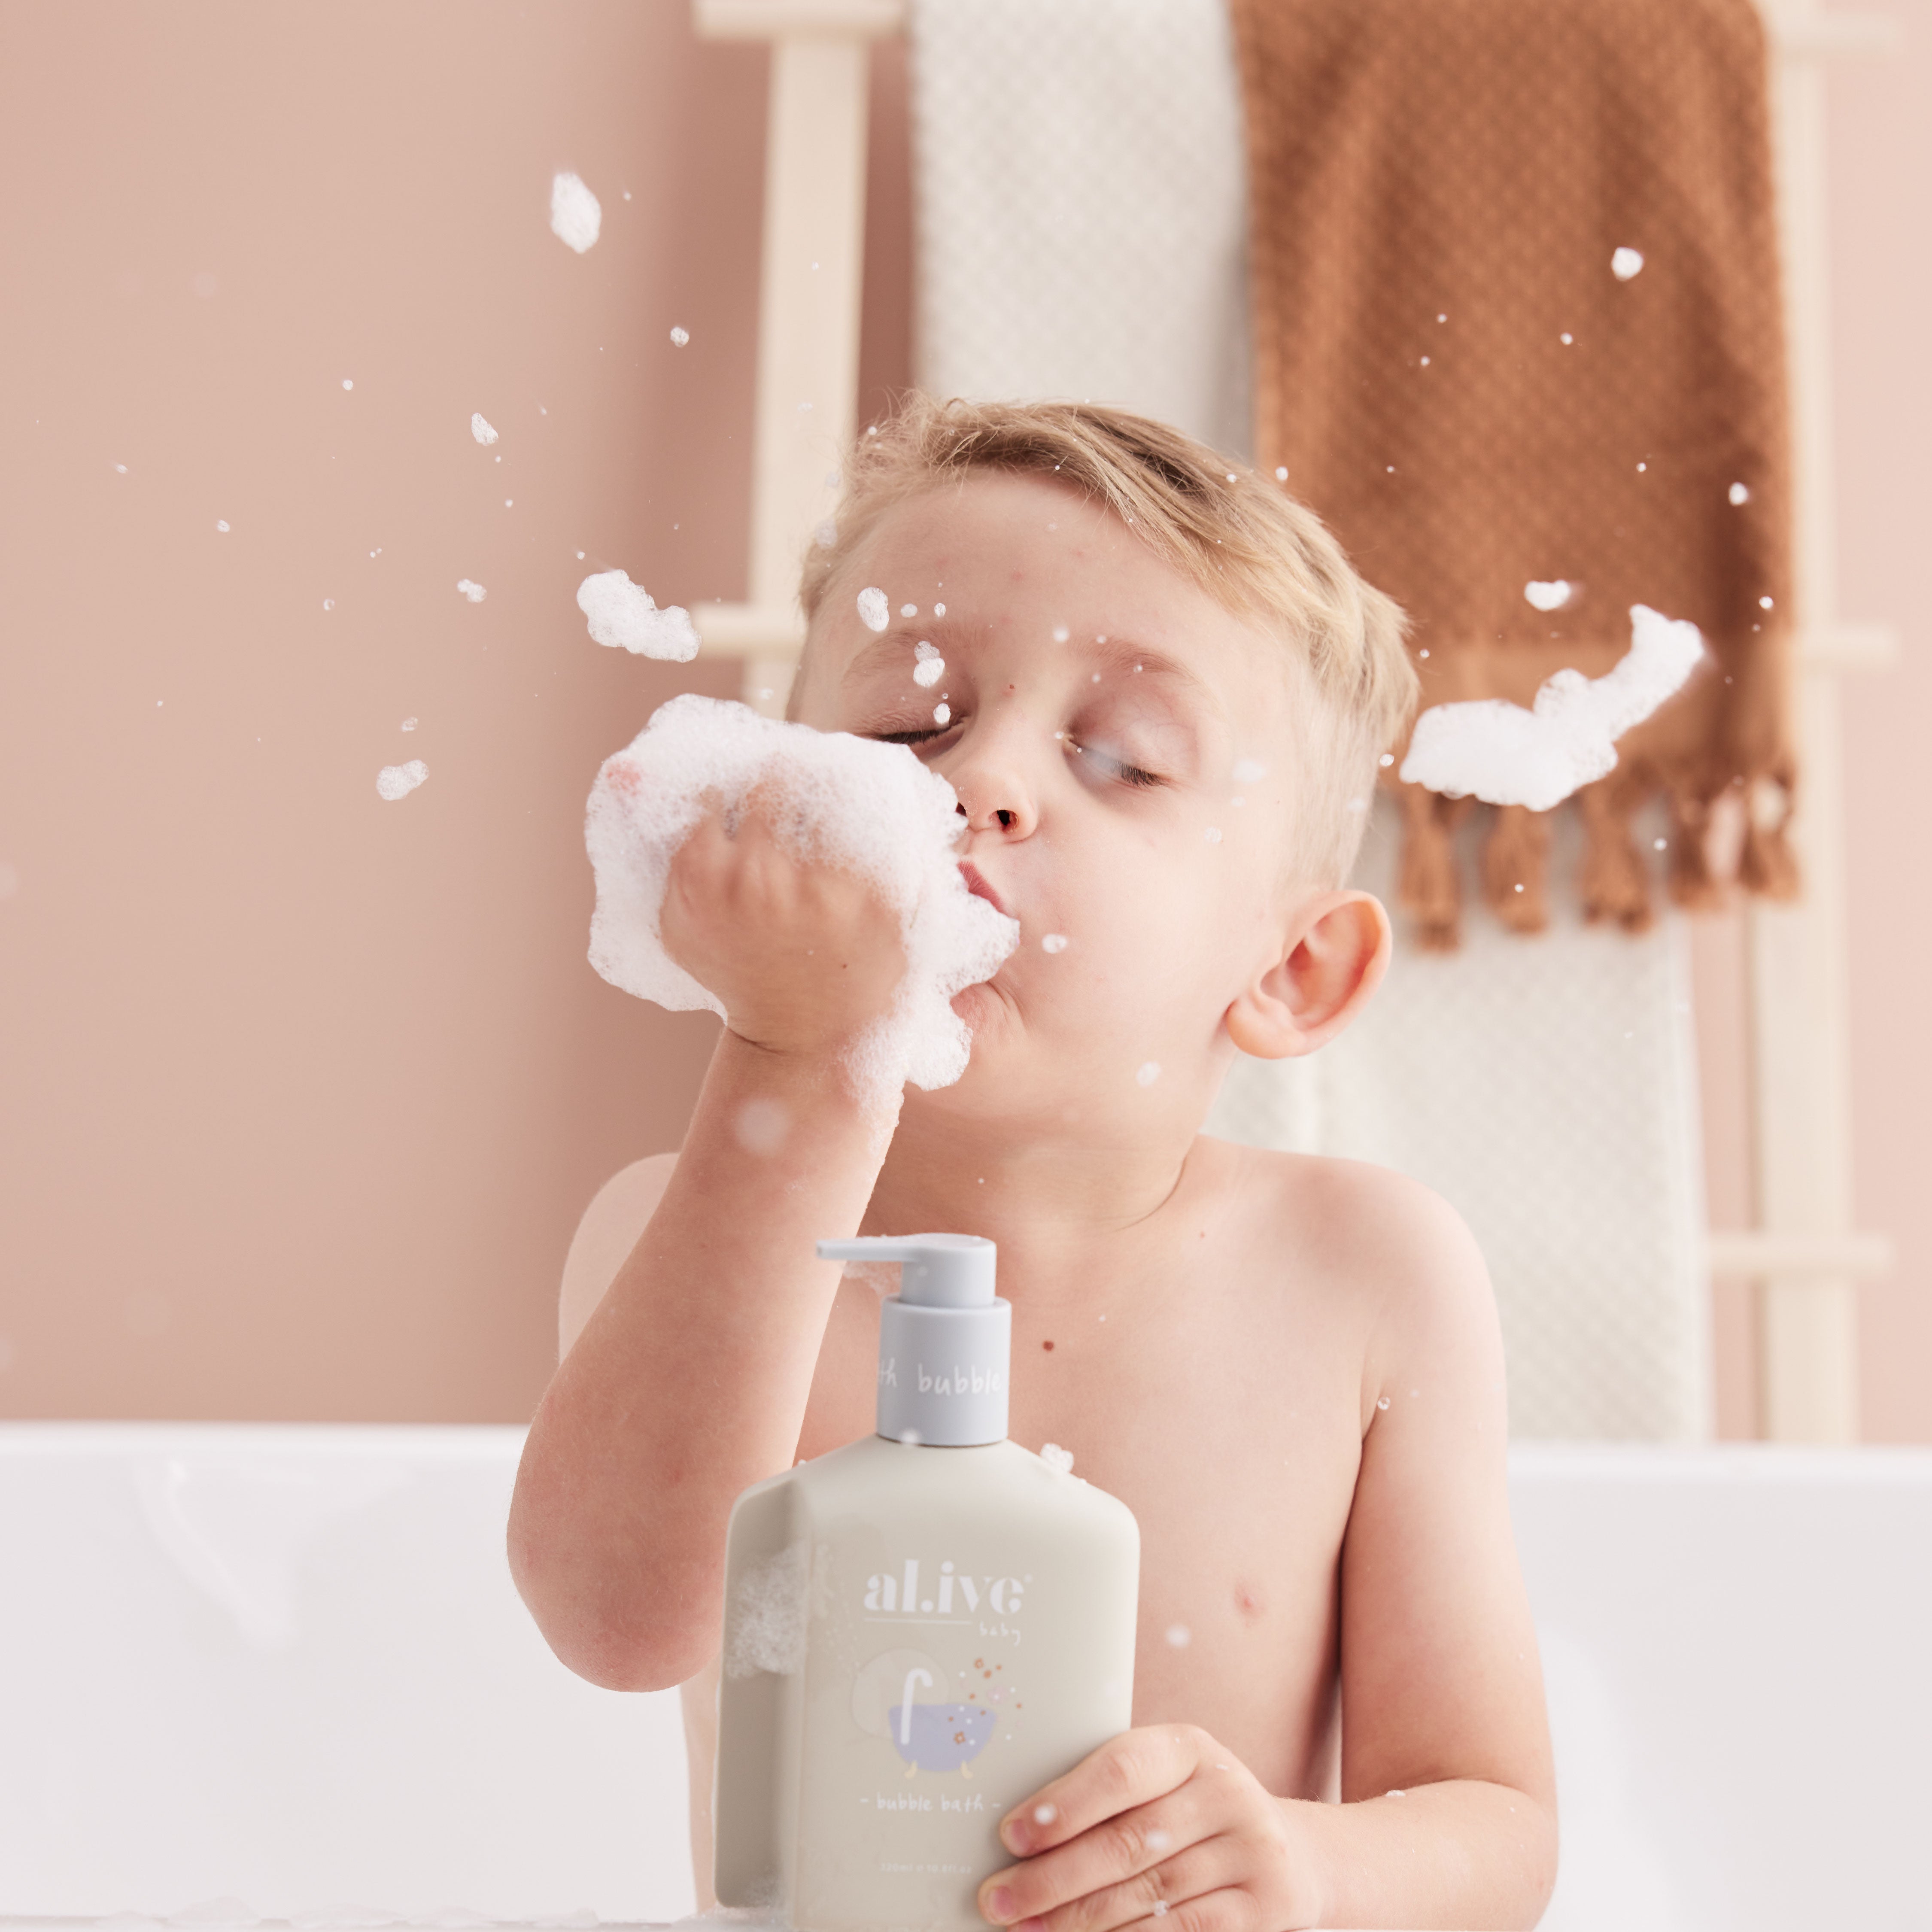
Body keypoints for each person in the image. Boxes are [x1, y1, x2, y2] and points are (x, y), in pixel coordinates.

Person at [508, 395, 1558, 1930]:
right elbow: (616, 1618)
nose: (978, 776)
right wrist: (799, 1054)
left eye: (1123, 757)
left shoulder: (1363, 1275)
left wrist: (1305, 1865)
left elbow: (1494, 1823)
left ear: (1288, 971)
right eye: (902, 726)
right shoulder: (685, 1232)